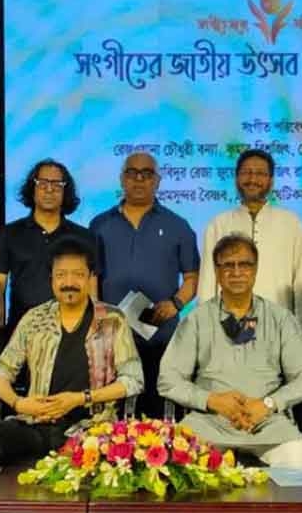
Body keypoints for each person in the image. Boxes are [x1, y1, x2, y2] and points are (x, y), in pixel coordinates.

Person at [0, 236, 143, 471]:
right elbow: (0, 372)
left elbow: (133, 380)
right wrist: (19, 404)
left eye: (78, 275)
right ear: (51, 279)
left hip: (92, 430)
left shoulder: (113, 319)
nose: (69, 282)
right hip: (36, 425)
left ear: (91, 277)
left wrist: (80, 398)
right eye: (61, 275)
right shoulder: (34, 318)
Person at [158, 233, 302, 467]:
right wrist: (211, 400)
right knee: (181, 460)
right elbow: (168, 379)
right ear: (216, 271)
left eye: (244, 264)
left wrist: (268, 404)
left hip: (267, 422)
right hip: (209, 422)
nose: (236, 272)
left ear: (255, 269)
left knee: (296, 458)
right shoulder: (197, 319)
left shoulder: (281, 318)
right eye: (228, 265)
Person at [88, 152, 199, 418]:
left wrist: (175, 304)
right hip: (111, 336)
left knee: (158, 410)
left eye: (147, 174)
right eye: (132, 173)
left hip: (161, 336)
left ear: (157, 181)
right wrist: (95, 312)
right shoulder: (99, 224)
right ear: (122, 180)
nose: (139, 179)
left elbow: (193, 278)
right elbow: (91, 276)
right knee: (111, 413)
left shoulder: (178, 225)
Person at [198, 149, 302, 335]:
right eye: (246, 173)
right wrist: (204, 326)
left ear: (271, 181)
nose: (253, 179)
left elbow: (301, 278)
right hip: (227, 326)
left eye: (260, 173)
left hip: (279, 325)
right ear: (236, 179)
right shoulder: (218, 223)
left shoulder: (290, 222)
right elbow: (208, 280)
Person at [0, 158, 96, 360]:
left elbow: (92, 288)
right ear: (32, 188)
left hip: (72, 336)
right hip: (21, 336)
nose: (50, 189)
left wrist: (92, 329)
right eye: (43, 183)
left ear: (66, 191)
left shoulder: (84, 237)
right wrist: (0, 333)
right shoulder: (9, 234)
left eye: (57, 184)